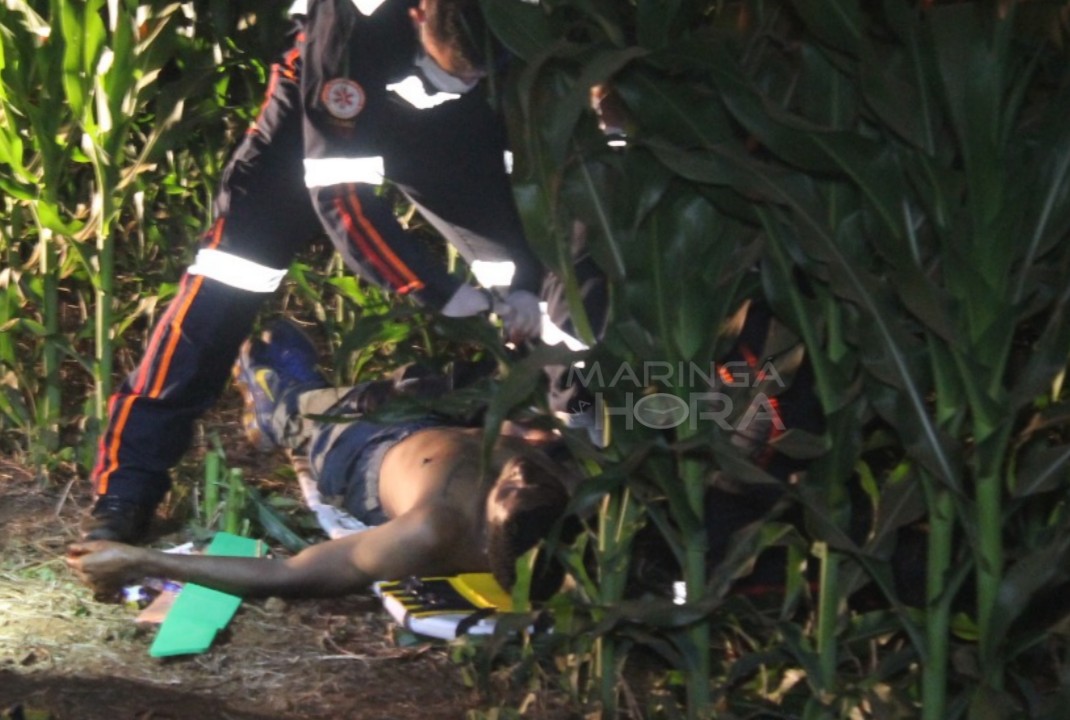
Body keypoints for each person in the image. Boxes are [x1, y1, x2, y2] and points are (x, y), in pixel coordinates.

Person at [84, 0, 549, 543]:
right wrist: (435, 290)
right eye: (449, 66)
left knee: (526, 275)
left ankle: (562, 419)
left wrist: (517, 290)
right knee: (228, 281)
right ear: (420, 14)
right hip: (317, 118)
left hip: (441, 130)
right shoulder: (354, 17)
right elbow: (342, 193)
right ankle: (124, 493)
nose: (453, 79)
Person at [69, 320, 575, 601]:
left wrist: (140, 560)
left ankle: (286, 406)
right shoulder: (569, 490)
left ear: (490, 529)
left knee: (310, 397)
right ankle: (376, 390)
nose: (521, 468)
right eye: (532, 473)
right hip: (451, 418)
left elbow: (292, 575)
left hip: (369, 452)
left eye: (513, 482)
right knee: (431, 380)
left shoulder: (433, 530)